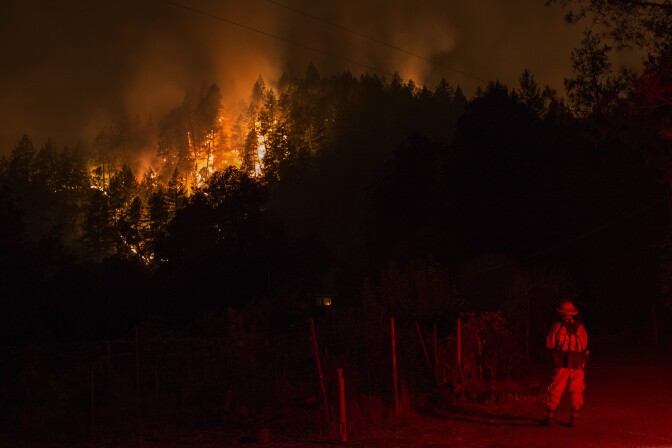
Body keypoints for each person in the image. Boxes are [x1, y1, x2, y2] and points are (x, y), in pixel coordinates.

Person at [542, 300, 589, 427]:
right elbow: (584, 345)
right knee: (576, 390)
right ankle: (574, 418)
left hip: (562, 363)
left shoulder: (557, 326)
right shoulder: (581, 328)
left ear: (562, 313)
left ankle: (550, 417)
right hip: (578, 364)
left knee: (556, 388)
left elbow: (550, 343)